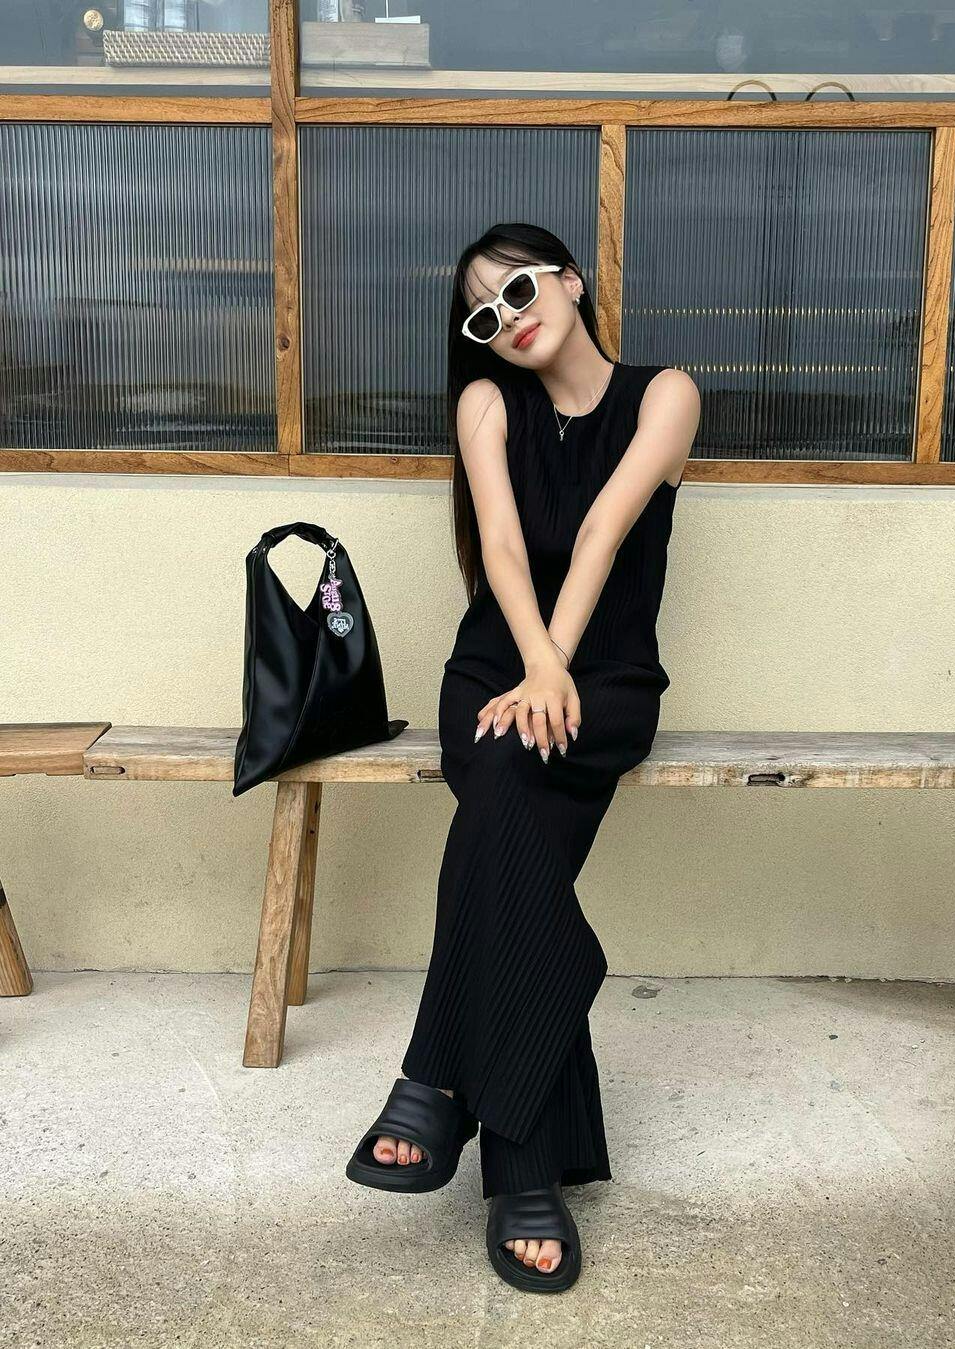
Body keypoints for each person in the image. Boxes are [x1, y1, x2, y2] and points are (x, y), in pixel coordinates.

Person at [345, 222, 700, 1293]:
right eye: (483, 315)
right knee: (511, 818)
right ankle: (523, 1170)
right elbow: (501, 546)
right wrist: (532, 664)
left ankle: (437, 1080)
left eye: (520, 289)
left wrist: (561, 670)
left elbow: (600, 534)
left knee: (503, 835)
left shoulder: (665, 394)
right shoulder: (485, 405)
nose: (507, 318)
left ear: (571, 281)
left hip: (610, 680)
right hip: (491, 668)